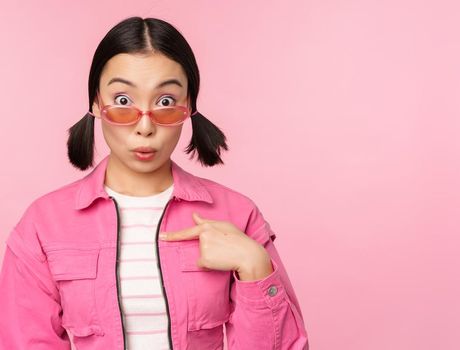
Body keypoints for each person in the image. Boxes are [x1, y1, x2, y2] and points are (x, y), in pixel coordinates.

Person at [0, 16, 309, 349]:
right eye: (122, 101)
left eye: (165, 102)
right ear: (94, 104)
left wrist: (255, 267)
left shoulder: (237, 214)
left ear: (188, 106)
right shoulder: (43, 225)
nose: (144, 126)